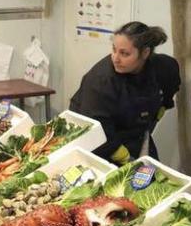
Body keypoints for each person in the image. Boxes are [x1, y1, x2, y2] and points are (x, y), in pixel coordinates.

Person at [69, 22, 180, 165]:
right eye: (114, 50)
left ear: (145, 53)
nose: (115, 58)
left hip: (135, 133)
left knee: (152, 177)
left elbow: (171, 84)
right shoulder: (101, 80)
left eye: (124, 53)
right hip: (96, 138)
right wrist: (124, 157)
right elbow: (97, 128)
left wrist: (162, 107)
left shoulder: (164, 67)